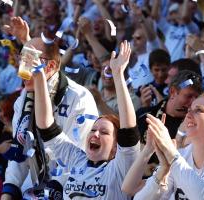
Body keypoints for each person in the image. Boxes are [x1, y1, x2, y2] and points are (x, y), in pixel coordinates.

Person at [1, 20, 98, 199]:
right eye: (22, 61)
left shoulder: (79, 98)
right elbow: (20, 149)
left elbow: (78, 158)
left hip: (72, 190)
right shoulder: (23, 99)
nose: (22, 71)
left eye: (29, 62)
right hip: (36, 186)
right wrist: (9, 190)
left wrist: (51, 191)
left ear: (51, 67)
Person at [33, 41, 140, 199]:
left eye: (104, 132)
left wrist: (118, 75)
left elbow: (129, 131)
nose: (95, 134)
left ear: (116, 147)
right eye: (93, 130)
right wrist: (40, 78)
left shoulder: (121, 167)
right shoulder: (78, 159)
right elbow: (46, 127)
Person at [124, 93, 204, 199]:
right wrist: (162, 172)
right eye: (189, 110)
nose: (188, 115)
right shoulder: (181, 155)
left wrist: (170, 151)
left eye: (199, 110)